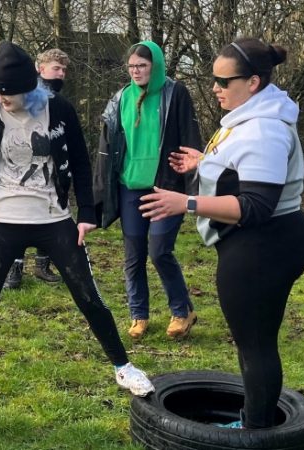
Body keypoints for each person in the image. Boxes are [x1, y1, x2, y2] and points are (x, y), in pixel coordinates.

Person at [0, 42, 154, 405]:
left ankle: (123, 368)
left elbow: (79, 160)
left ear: (29, 89)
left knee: (88, 296)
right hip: (0, 221)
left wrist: (87, 215)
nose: (1, 100)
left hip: (53, 219)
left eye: (8, 94)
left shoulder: (58, 110)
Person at [139, 38, 304, 429]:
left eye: (223, 80)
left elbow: (254, 206)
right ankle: (256, 420)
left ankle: (256, 432)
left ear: (252, 82)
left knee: (256, 346)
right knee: (253, 343)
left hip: (264, 248)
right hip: (258, 245)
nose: (214, 87)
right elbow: (242, 171)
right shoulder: (251, 117)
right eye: (212, 78)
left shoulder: (265, 130)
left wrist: (186, 203)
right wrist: (205, 162)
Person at [93, 41, 202, 340]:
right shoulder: (120, 99)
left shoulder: (175, 93)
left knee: (159, 250)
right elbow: (106, 149)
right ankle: (138, 315)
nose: (136, 71)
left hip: (165, 187)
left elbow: (190, 140)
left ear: (155, 66)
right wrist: (100, 193)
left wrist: (195, 184)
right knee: (133, 254)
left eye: (142, 66)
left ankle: (182, 311)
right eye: (131, 67)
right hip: (130, 189)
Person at [1, 48, 71, 289]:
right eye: (56, 68)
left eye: (64, 69)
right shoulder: (26, 95)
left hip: (51, 165)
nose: (61, 73)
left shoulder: (61, 101)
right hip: (26, 159)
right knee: (23, 216)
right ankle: (15, 268)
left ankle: (43, 265)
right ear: (39, 69)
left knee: (48, 211)